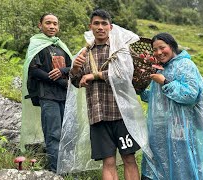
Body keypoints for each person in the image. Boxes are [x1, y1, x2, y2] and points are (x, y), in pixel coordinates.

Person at [68, 9, 144, 179]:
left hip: (121, 114)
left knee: (129, 158)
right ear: (90, 27)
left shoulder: (120, 50)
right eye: (96, 23)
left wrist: (94, 75)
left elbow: (124, 75)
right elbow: (75, 82)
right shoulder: (84, 53)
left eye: (104, 24)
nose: (100, 27)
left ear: (110, 27)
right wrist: (75, 69)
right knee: (108, 162)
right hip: (97, 115)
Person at [140, 33, 203, 180]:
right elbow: (157, 99)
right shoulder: (160, 68)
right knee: (157, 165)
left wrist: (165, 82)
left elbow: (190, 95)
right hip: (160, 129)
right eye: (155, 50)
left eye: (162, 48)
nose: (159, 53)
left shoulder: (185, 65)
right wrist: (140, 88)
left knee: (180, 165)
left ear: (172, 46)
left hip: (180, 129)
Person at [21, 13, 72, 172]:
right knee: (54, 134)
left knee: (67, 135)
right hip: (48, 96)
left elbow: (74, 68)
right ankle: (56, 172)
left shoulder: (61, 46)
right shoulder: (37, 44)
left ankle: (68, 171)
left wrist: (63, 70)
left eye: (55, 24)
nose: (52, 26)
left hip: (64, 96)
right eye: (48, 23)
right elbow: (34, 70)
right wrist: (59, 80)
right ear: (40, 25)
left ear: (58, 26)